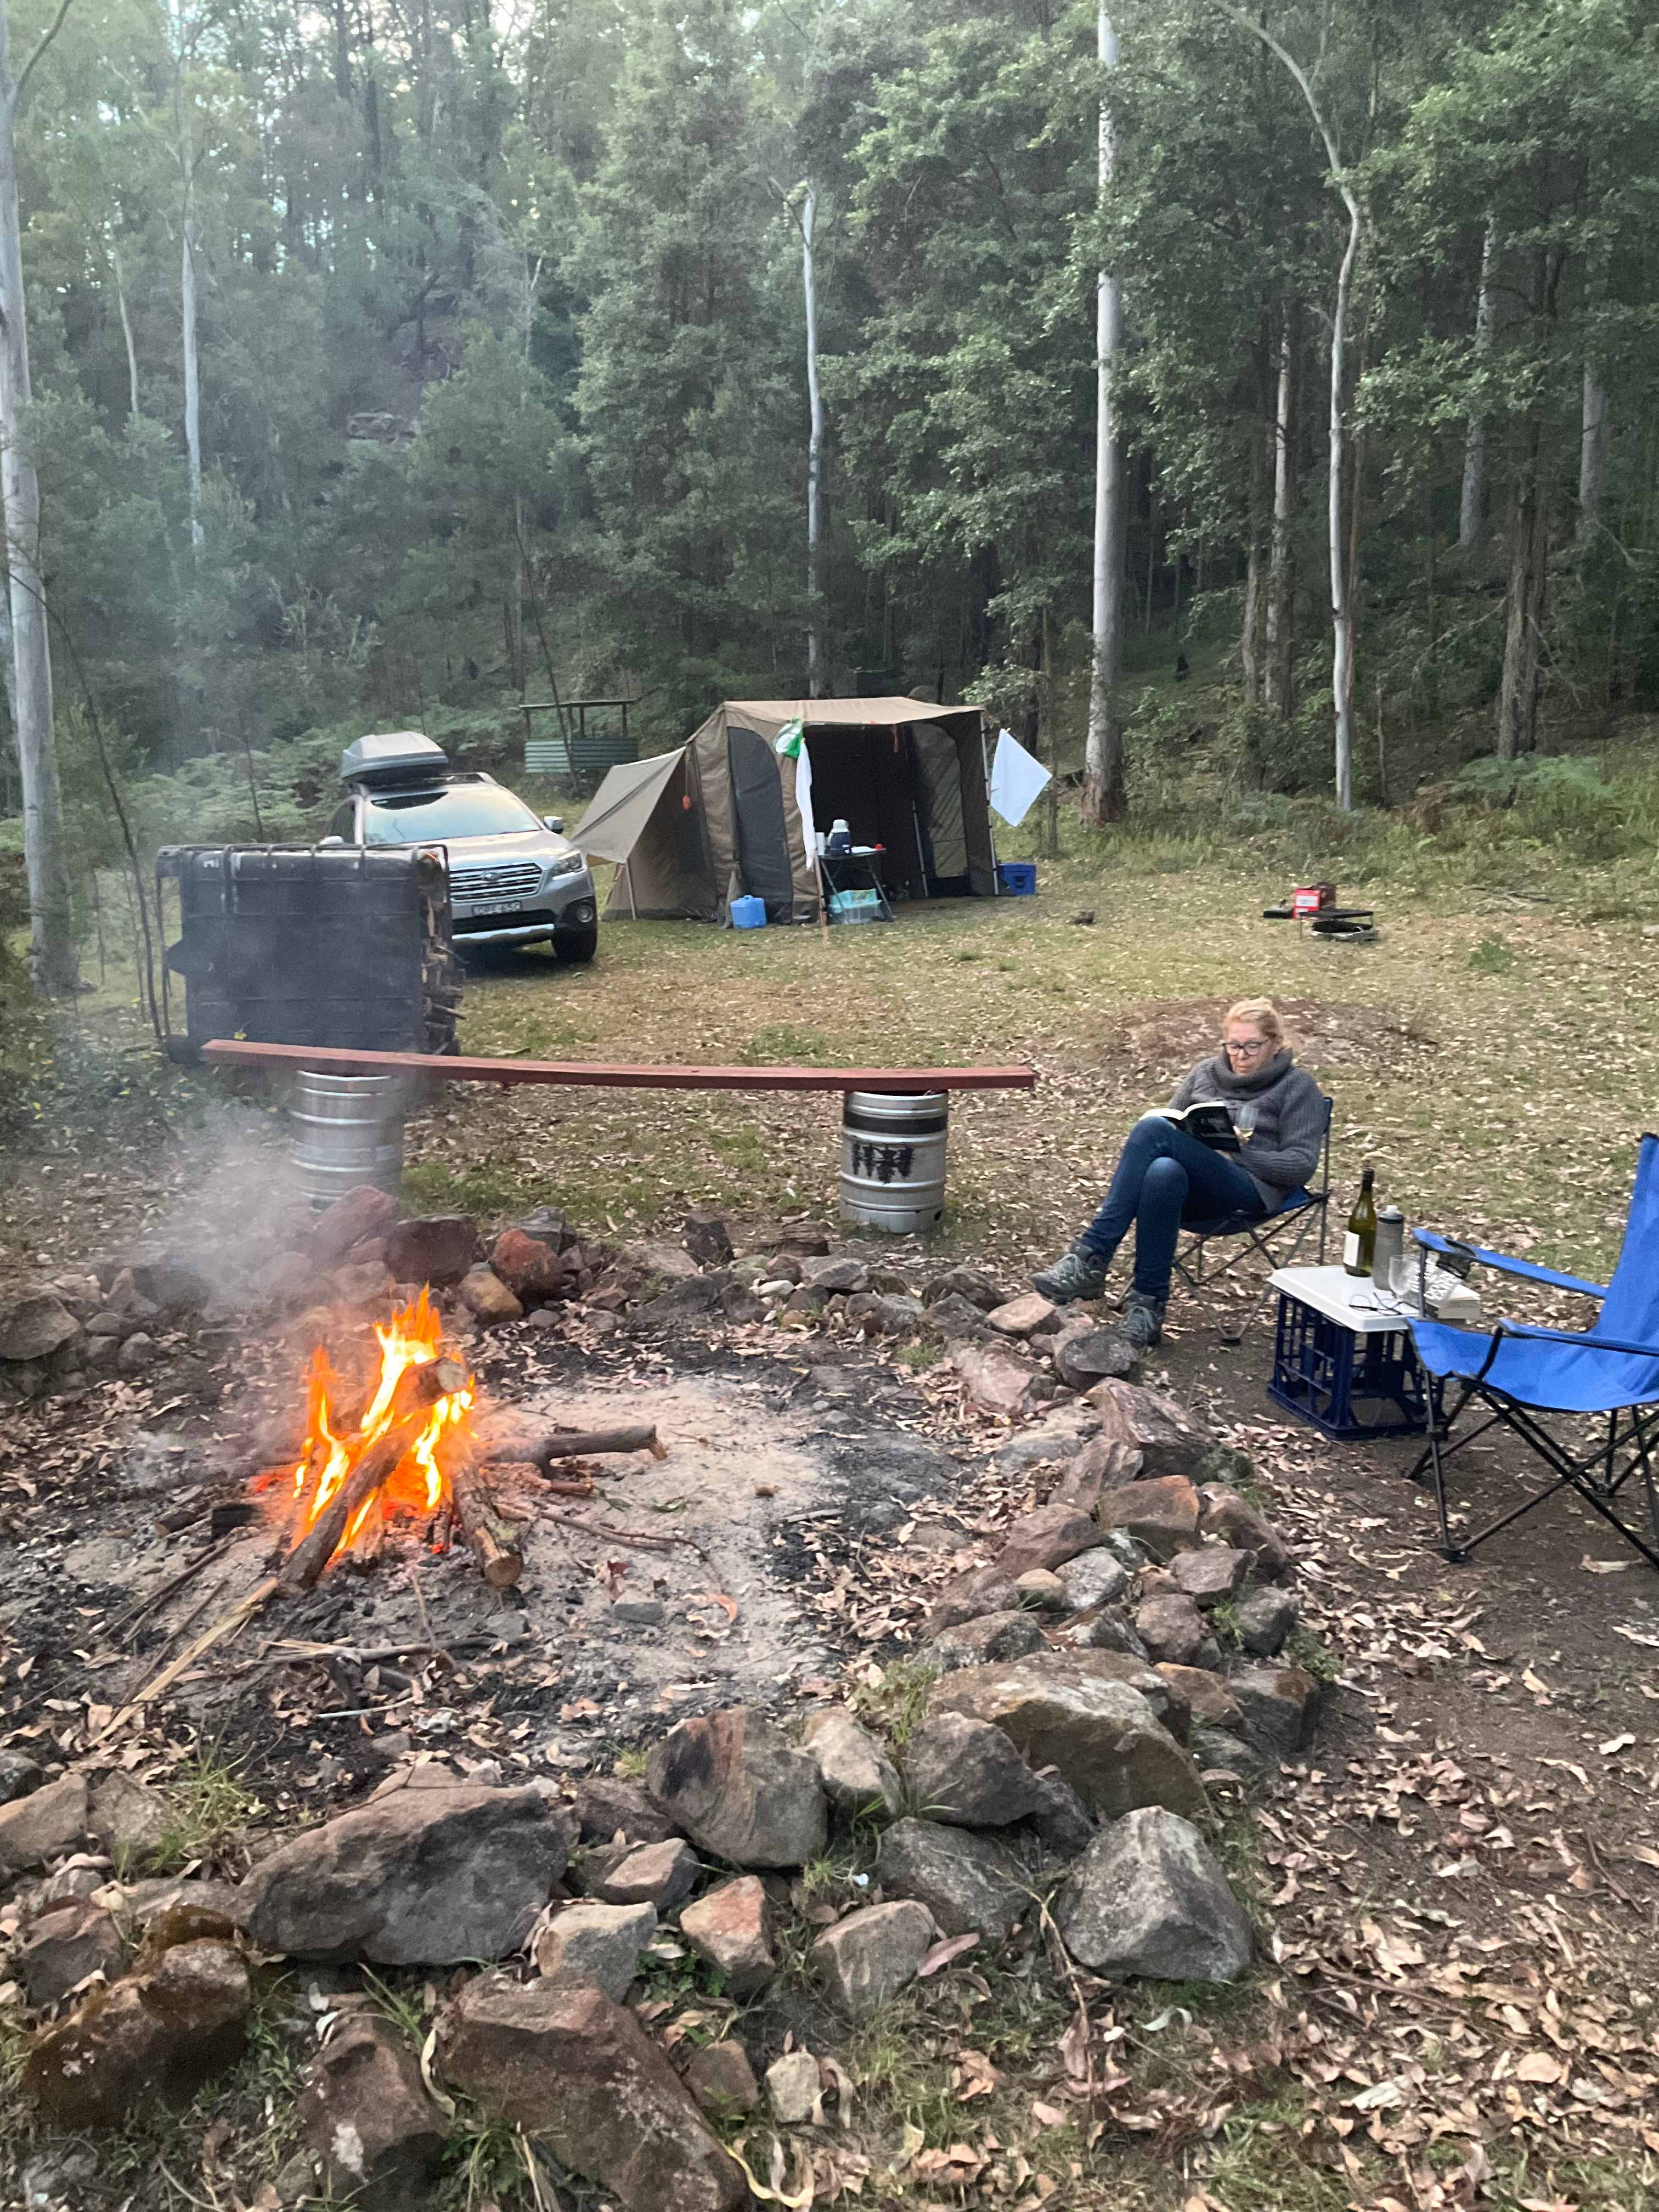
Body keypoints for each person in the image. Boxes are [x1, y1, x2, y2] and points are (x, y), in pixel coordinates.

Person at [1033, 997, 1325, 1347]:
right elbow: (1172, 1127)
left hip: (1251, 1191)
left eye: (1252, 1046)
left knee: (1153, 1132)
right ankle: (1146, 1309)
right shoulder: (1205, 1074)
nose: (1240, 1055)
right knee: (1162, 1171)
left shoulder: (1297, 1087)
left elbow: (1301, 1164)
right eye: (1233, 1045)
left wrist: (1238, 1157)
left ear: (1275, 1044)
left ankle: (1091, 1257)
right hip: (1190, 1191)